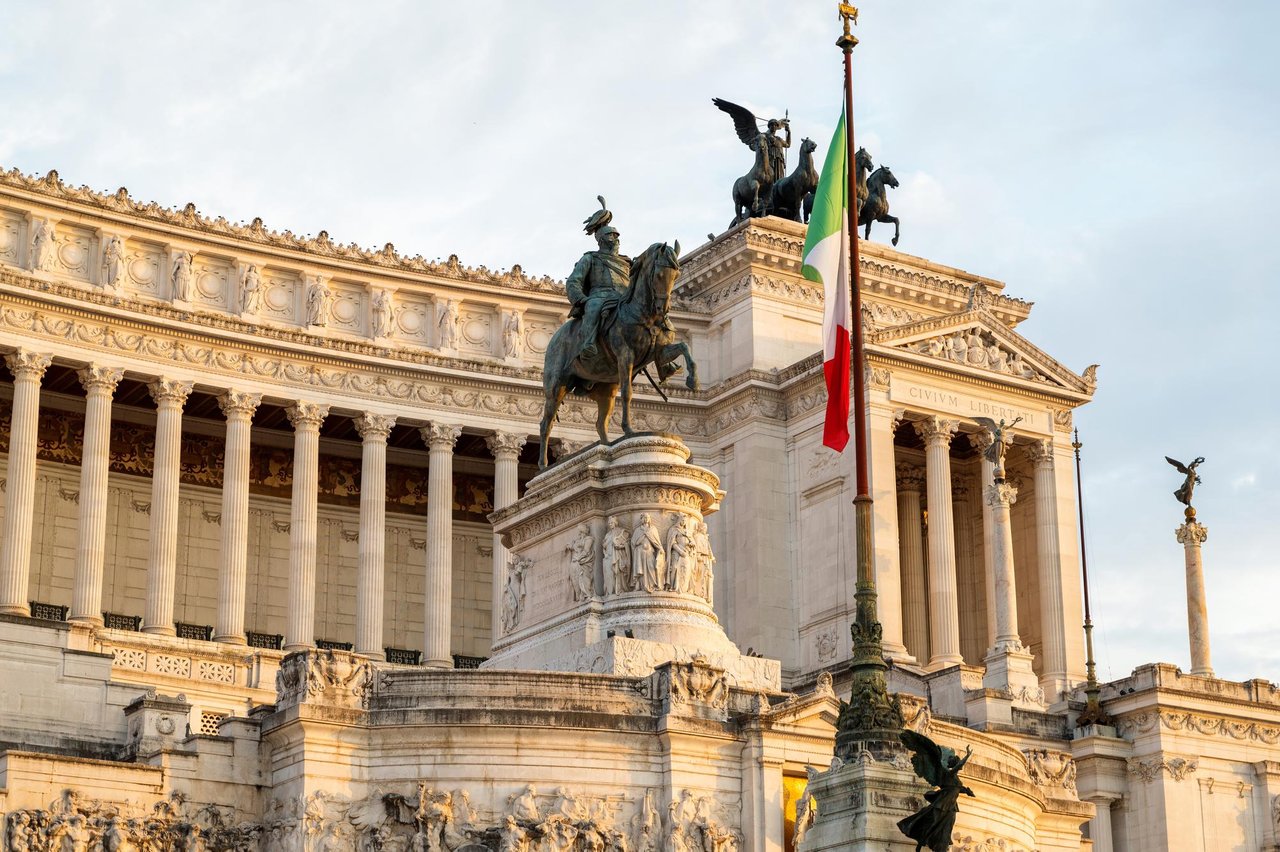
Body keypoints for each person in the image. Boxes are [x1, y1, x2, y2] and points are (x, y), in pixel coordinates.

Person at [566, 198, 630, 361]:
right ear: (602, 239)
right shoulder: (590, 258)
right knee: (594, 307)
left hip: (623, 299)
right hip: (599, 297)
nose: (616, 240)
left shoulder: (628, 262)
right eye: (611, 237)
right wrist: (581, 299)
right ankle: (588, 343)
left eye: (617, 237)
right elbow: (574, 281)